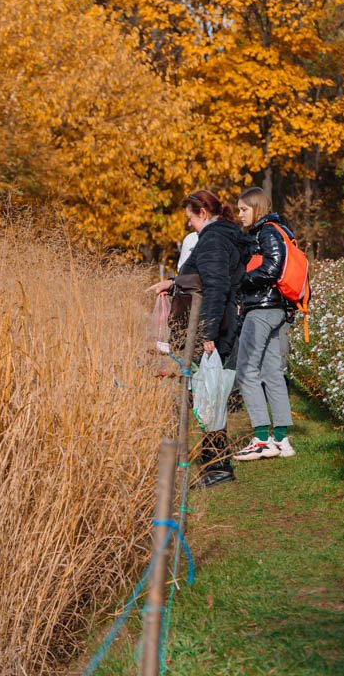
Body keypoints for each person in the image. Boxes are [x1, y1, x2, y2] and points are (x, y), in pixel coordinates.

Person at [150, 190, 251, 487]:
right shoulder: (223, 237)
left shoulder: (213, 241)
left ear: (203, 214)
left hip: (216, 330)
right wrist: (174, 282)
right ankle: (214, 466)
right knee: (209, 394)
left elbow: (216, 286)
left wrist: (206, 333)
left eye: (190, 219)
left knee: (210, 395)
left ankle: (219, 468)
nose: (189, 225)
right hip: (222, 326)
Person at [232, 186, 297, 461]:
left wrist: (240, 281)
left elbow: (272, 267)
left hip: (262, 307)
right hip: (277, 308)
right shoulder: (280, 230)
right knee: (272, 372)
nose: (239, 215)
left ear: (257, 208)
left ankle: (261, 439)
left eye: (244, 209)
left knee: (246, 370)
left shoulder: (267, 231)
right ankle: (281, 440)